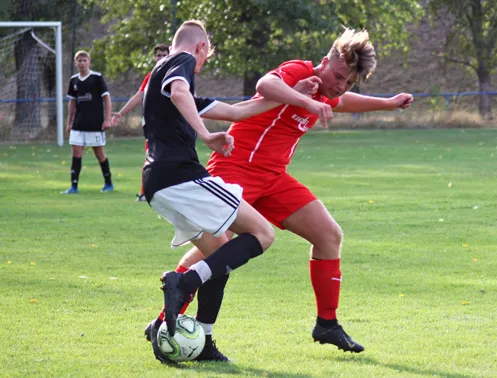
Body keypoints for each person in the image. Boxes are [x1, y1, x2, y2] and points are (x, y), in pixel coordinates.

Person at [147, 26, 414, 362]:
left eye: (347, 81)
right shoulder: (300, 71)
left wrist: (387, 104)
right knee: (217, 249)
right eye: (339, 75)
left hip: (274, 178)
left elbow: (340, 101)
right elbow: (265, 86)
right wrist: (306, 100)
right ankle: (162, 320)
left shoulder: (329, 90)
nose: (340, 85)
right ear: (325, 60)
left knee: (329, 235)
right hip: (235, 168)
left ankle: (327, 323)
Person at [141, 19, 322, 364]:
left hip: (158, 185)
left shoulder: (169, 80)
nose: (203, 63)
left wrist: (296, 93)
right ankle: (183, 283)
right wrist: (207, 136)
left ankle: (205, 341)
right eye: (206, 56)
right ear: (201, 48)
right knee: (263, 233)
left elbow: (241, 111)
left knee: (220, 255)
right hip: (181, 177)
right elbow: (179, 92)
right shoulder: (180, 61)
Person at [111, 44, 170, 202]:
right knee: (151, 157)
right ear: (154, 57)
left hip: (172, 125)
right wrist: (121, 113)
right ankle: (146, 192)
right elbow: (139, 96)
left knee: (172, 157)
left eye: (164, 55)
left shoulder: (175, 74)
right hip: (153, 126)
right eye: (158, 55)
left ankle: (167, 191)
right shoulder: (151, 76)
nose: (161, 58)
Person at [62, 51, 114, 194]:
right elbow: (72, 102)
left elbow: (107, 98)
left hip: (95, 124)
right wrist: (69, 122)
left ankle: (108, 183)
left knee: (99, 154)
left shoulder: (97, 78)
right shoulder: (74, 80)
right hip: (78, 124)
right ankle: (74, 186)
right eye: (79, 60)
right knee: (76, 154)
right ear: (75, 63)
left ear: (89, 62)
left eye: (85, 60)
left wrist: (107, 119)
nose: (82, 63)